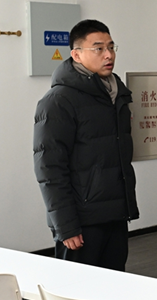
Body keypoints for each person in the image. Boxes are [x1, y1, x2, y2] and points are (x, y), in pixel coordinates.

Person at [33, 19, 138, 271]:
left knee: (114, 287)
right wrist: (66, 226)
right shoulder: (59, 101)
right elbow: (50, 169)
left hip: (115, 215)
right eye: (98, 48)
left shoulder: (116, 95)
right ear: (76, 55)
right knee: (77, 291)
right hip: (81, 222)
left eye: (111, 47)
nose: (108, 55)